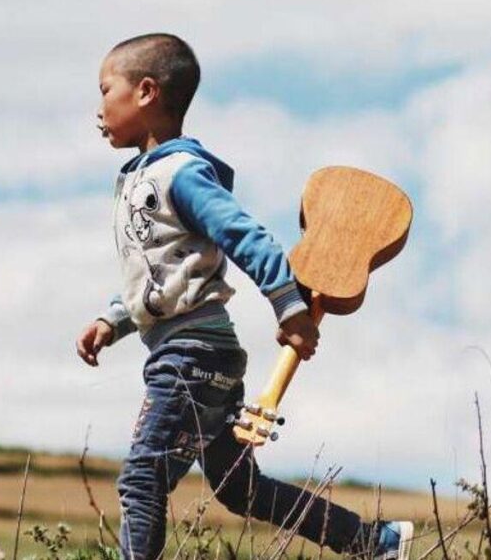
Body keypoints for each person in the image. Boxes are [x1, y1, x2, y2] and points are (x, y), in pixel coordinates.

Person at [75, 33, 413, 560]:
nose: (97, 109)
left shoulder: (180, 174)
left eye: (104, 90)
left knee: (142, 478)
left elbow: (247, 237)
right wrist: (114, 320)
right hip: (200, 354)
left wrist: (291, 308)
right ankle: (375, 542)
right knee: (239, 488)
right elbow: (159, 276)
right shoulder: (143, 178)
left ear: (145, 92)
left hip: (189, 359)